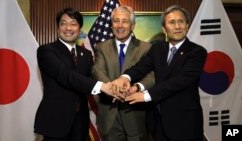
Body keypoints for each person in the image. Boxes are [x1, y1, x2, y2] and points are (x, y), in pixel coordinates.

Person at [111, 5, 208, 141]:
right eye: (172, 23)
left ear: (187, 25)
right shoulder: (157, 49)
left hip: (185, 125)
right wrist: (124, 78)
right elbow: (140, 68)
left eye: (181, 22)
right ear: (164, 28)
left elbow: (179, 82)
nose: (177, 26)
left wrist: (145, 96)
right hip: (158, 124)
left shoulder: (197, 52)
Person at [34, 7, 114, 141]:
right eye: (63, 23)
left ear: (80, 29)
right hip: (55, 122)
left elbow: (90, 81)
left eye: (73, 24)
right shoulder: (46, 51)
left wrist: (115, 91)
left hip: (81, 123)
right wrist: (103, 86)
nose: (68, 28)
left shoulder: (86, 54)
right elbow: (66, 75)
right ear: (58, 27)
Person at [92, 5, 154, 141]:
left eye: (125, 21)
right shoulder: (101, 47)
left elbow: (151, 76)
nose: (120, 25)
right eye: (116, 21)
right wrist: (114, 89)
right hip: (109, 116)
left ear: (132, 26)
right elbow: (97, 70)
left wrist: (135, 87)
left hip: (137, 116)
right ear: (111, 25)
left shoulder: (146, 48)